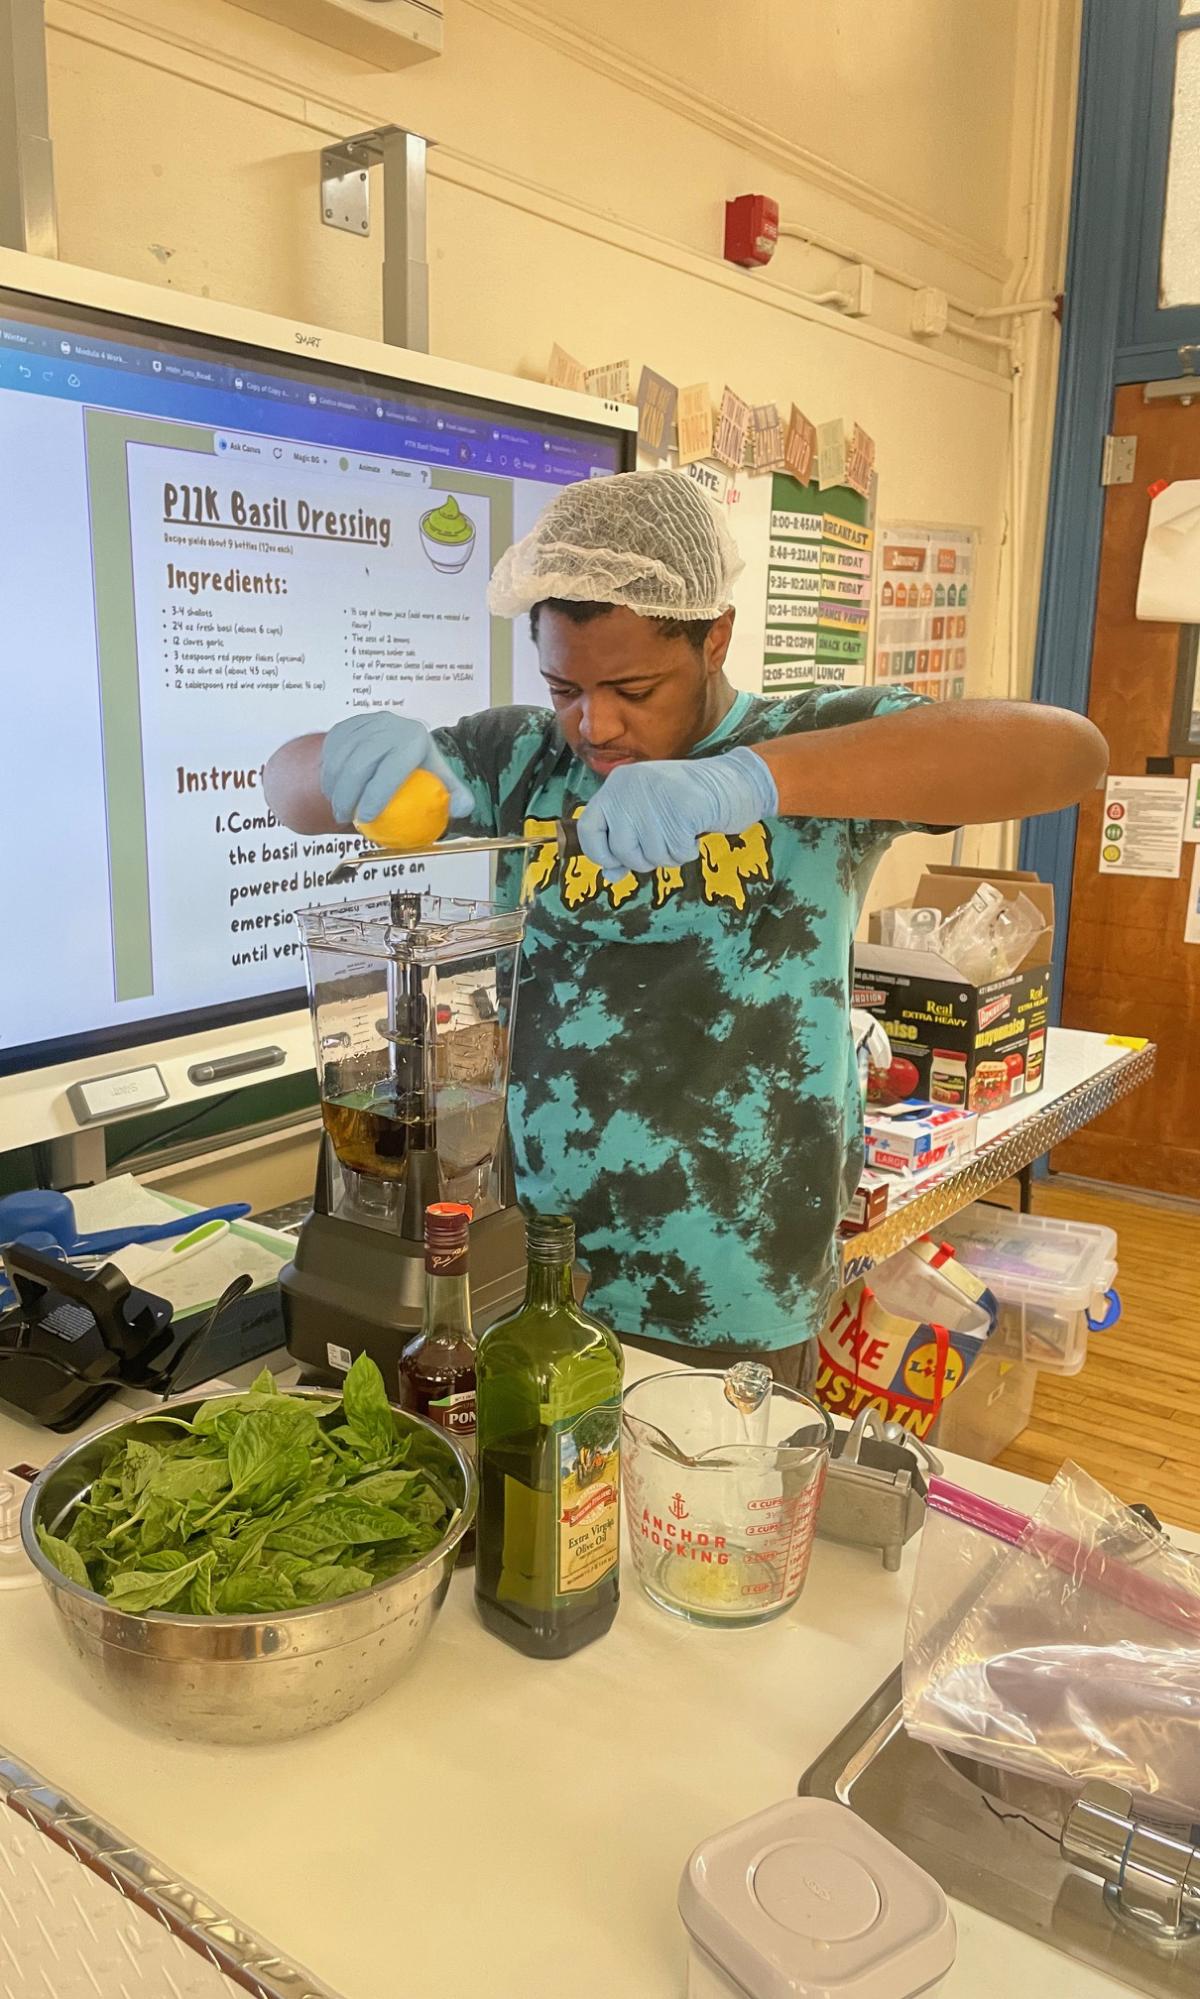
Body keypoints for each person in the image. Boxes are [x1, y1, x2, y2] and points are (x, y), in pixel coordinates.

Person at [267, 470, 1106, 1387]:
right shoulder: (521, 759)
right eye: (564, 686)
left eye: (633, 686)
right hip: (529, 1263)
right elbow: (291, 789)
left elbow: (1067, 752)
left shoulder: (815, 740)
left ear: (716, 636)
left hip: (733, 1282)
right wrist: (345, 763)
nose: (595, 722)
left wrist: (752, 783)